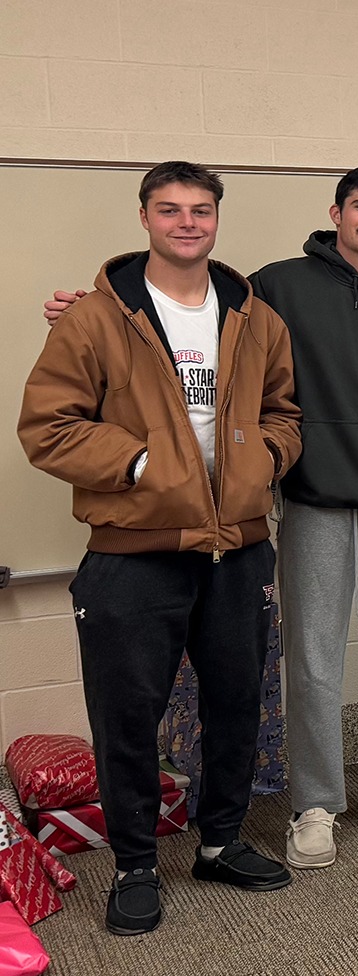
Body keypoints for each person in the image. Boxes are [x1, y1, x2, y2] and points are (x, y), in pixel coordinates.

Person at [46, 166, 358, 870]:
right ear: (334, 213)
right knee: (311, 659)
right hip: (311, 499)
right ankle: (314, 806)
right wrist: (88, 310)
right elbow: (179, 305)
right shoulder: (277, 285)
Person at [19, 161, 303, 935]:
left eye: (201, 210)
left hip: (237, 549)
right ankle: (136, 865)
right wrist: (143, 465)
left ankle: (219, 842)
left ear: (217, 219)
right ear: (144, 216)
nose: (187, 222)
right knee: (128, 714)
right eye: (170, 209)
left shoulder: (255, 315)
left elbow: (284, 410)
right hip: (133, 552)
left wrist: (265, 460)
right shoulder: (96, 318)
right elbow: (48, 427)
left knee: (236, 702)